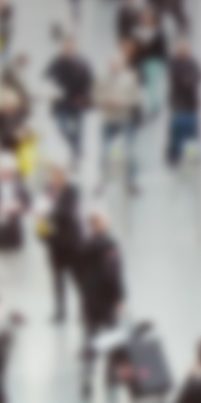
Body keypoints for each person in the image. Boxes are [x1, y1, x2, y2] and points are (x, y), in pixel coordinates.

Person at [78, 211, 125, 397]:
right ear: (97, 224)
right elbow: (111, 274)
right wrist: (118, 298)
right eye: (105, 220)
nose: (109, 222)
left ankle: (87, 376)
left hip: (89, 300)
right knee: (113, 336)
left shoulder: (85, 245)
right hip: (106, 300)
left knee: (91, 338)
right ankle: (111, 375)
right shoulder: (109, 245)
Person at [38, 162, 83, 324]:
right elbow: (41, 210)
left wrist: (49, 210)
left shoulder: (73, 191)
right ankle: (60, 311)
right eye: (53, 175)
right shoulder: (47, 190)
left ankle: (84, 308)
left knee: (77, 278)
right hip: (55, 243)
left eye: (59, 175)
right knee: (57, 279)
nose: (55, 178)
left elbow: (67, 212)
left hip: (72, 243)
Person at [94, 52, 143, 194]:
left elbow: (137, 98)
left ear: (123, 65)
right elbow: (95, 96)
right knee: (104, 152)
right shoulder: (101, 79)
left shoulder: (131, 78)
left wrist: (123, 102)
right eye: (113, 63)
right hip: (108, 119)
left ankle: (131, 182)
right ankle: (102, 182)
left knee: (130, 153)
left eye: (118, 64)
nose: (115, 66)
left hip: (125, 119)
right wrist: (106, 101)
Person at [45, 36, 94, 164]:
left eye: (71, 46)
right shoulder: (57, 61)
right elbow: (46, 77)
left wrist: (84, 96)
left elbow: (91, 82)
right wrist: (50, 91)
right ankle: (76, 148)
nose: (68, 49)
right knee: (62, 127)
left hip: (78, 102)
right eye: (66, 46)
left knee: (78, 130)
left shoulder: (83, 62)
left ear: (75, 47)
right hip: (61, 102)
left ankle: (76, 155)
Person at [166, 39, 201, 167]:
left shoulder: (192, 62)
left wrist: (188, 81)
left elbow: (199, 76)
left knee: (193, 132)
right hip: (178, 103)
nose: (182, 51)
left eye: (184, 49)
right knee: (176, 132)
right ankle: (174, 156)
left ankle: (194, 155)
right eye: (180, 49)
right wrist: (187, 81)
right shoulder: (173, 63)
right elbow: (175, 79)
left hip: (191, 103)